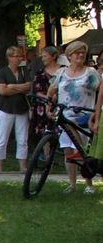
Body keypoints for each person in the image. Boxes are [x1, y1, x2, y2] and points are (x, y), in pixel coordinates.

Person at [46, 41, 100, 194]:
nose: (81, 55)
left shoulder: (90, 72)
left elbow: (100, 92)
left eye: (83, 52)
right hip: (65, 116)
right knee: (68, 151)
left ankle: (89, 184)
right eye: (77, 52)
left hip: (84, 116)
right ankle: (72, 184)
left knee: (84, 153)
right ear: (69, 56)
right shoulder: (62, 73)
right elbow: (52, 91)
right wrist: (49, 106)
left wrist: (97, 113)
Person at [0, 47, 31, 174]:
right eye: (17, 56)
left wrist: (13, 86)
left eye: (20, 56)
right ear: (10, 57)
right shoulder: (2, 72)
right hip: (5, 108)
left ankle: (23, 166)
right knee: (2, 138)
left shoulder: (24, 71)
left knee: (22, 139)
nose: (20, 58)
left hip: (21, 108)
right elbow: (2, 91)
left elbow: (28, 87)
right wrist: (19, 88)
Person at [30, 46, 62, 143]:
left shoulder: (63, 70)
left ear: (53, 56)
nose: (42, 58)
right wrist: (49, 99)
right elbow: (37, 91)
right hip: (43, 106)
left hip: (60, 105)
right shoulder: (40, 73)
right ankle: (46, 155)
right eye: (42, 56)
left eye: (45, 56)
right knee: (44, 133)